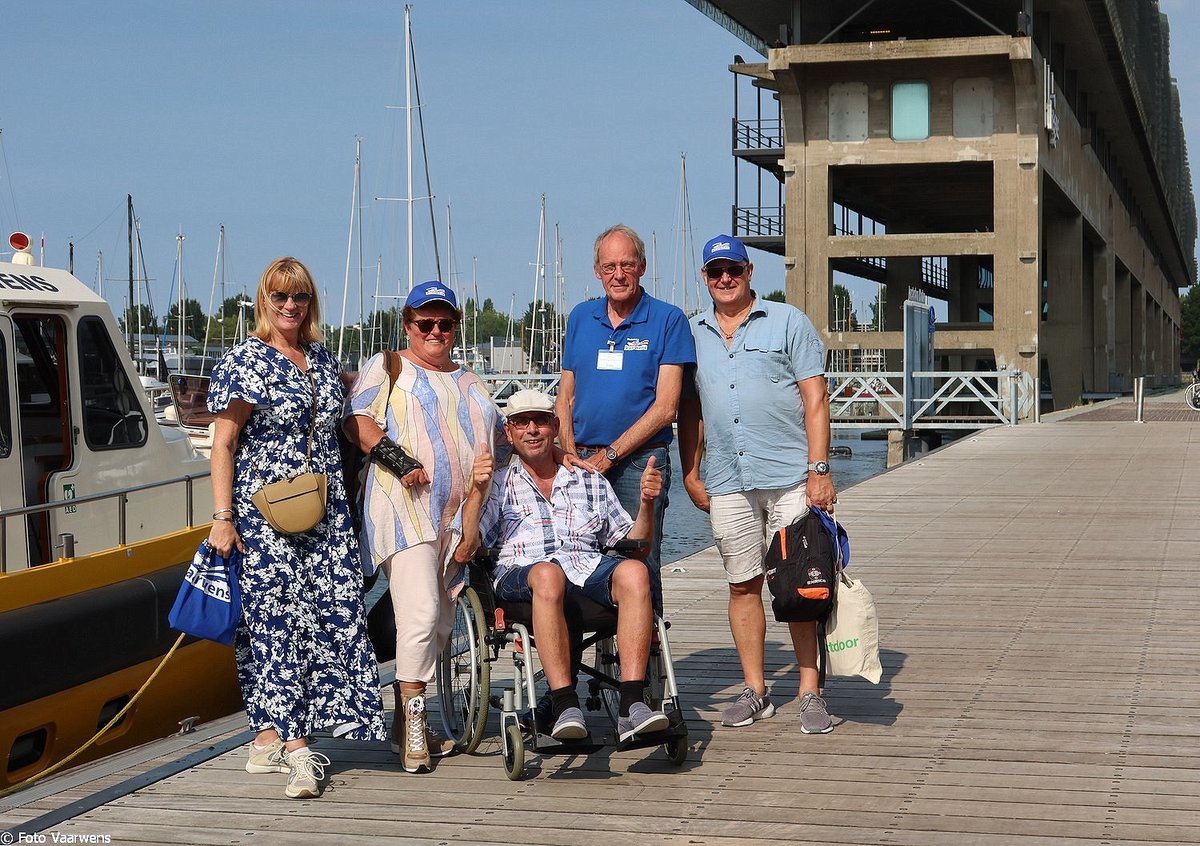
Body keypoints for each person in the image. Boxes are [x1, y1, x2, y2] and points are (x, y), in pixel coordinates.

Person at [207, 257, 385, 800]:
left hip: (325, 511)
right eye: (280, 296)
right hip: (265, 512)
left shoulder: (323, 360)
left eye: (300, 296)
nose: (291, 305)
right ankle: (298, 749)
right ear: (265, 300)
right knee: (278, 622)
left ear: (311, 302)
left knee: (336, 612)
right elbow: (223, 443)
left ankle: (267, 737)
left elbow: (345, 427)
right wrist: (222, 518)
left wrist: (401, 456)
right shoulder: (244, 361)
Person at [677, 235, 839, 734]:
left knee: (799, 587)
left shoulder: (788, 321)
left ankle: (810, 692)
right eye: (715, 271)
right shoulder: (691, 333)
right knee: (742, 583)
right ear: (705, 278)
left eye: (734, 269)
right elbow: (690, 409)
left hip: (791, 477)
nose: (725, 278)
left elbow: (815, 398)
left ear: (750, 272)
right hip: (728, 479)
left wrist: (819, 471)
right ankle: (756, 690)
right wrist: (690, 472)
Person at [343, 281, 504, 774]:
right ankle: (416, 725)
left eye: (445, 323)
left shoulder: (471, 380)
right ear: (408, 325)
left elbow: (506, 440)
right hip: (403, 510)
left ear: (456, 327)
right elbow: (357, 420)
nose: (436, 331)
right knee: (420, 613)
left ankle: (402, 721)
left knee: (440, 623)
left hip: (459, 518)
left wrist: (562, 457)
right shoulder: (389, 365)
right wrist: (400, 460)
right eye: (425, 322)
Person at [456, 389, 669, 742]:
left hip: (585, 568)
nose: (532, 429)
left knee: (635, 572)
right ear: (509, 432)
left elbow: (637, 546)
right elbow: (467, 549)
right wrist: (477, 490)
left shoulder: (589, 478)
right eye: (521, 422)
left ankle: (632, 703)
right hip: (523, 574)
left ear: (555, 427)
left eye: (540, 421)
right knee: (548, 574)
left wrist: (646, 503)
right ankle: (565, 704)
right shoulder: (498, 484)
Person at [556, 224, 696, 610]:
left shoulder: (668, 320)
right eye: (609, 266)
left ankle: (647, 646)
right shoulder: (581, 317)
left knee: (639, 561)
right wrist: (568, 452)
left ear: (642, 267)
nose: (618, 275)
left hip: (639, 463)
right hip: (583, 460)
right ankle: (595, 645)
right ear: (597, 271)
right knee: (581, 562)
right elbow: (565, 396)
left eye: (627, 265)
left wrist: (611, 455)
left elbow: (666, 408)